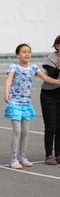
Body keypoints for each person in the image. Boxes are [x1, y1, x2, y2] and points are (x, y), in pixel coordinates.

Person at [4, 43, 60, 169]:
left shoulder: (33, 67)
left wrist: (58, 81)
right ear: (18, 55)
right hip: (15, 103)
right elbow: (9, 80)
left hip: (26, 104)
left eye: (29, 51)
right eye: (24, 52)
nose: (27, 54)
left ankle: (22, 157)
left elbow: (46, 78)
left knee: (25, 132)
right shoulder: (13, 67)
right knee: (17, 131)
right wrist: (6, 93)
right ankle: (13, 159)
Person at [40, 35, 60, 165]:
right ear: (57, 46)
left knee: (59, 126)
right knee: (51, 126)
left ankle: (58, 154)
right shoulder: (51, 58)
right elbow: (52, 76)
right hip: (49, 95)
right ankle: (49, 155)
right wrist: (58, 68)